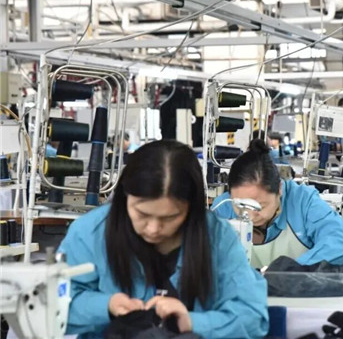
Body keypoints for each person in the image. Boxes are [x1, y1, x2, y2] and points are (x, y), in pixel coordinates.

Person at [58, 141, 268, 338]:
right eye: (142, 214)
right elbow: (53, 307)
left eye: (170, 217)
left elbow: (253, 316)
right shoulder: (90, 233)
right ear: (124, 197)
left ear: (191, 208)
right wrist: (106, 306)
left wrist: (192, 322)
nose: (153, 229)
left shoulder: (218, 238)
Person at [213, 139, 343, 268]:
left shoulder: (302, 201)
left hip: (298, 286)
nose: (250, 216)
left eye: (259, 207)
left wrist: (289, 272)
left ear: (279, 189)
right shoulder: (223, 209)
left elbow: (340, 243)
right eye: (240, 207)